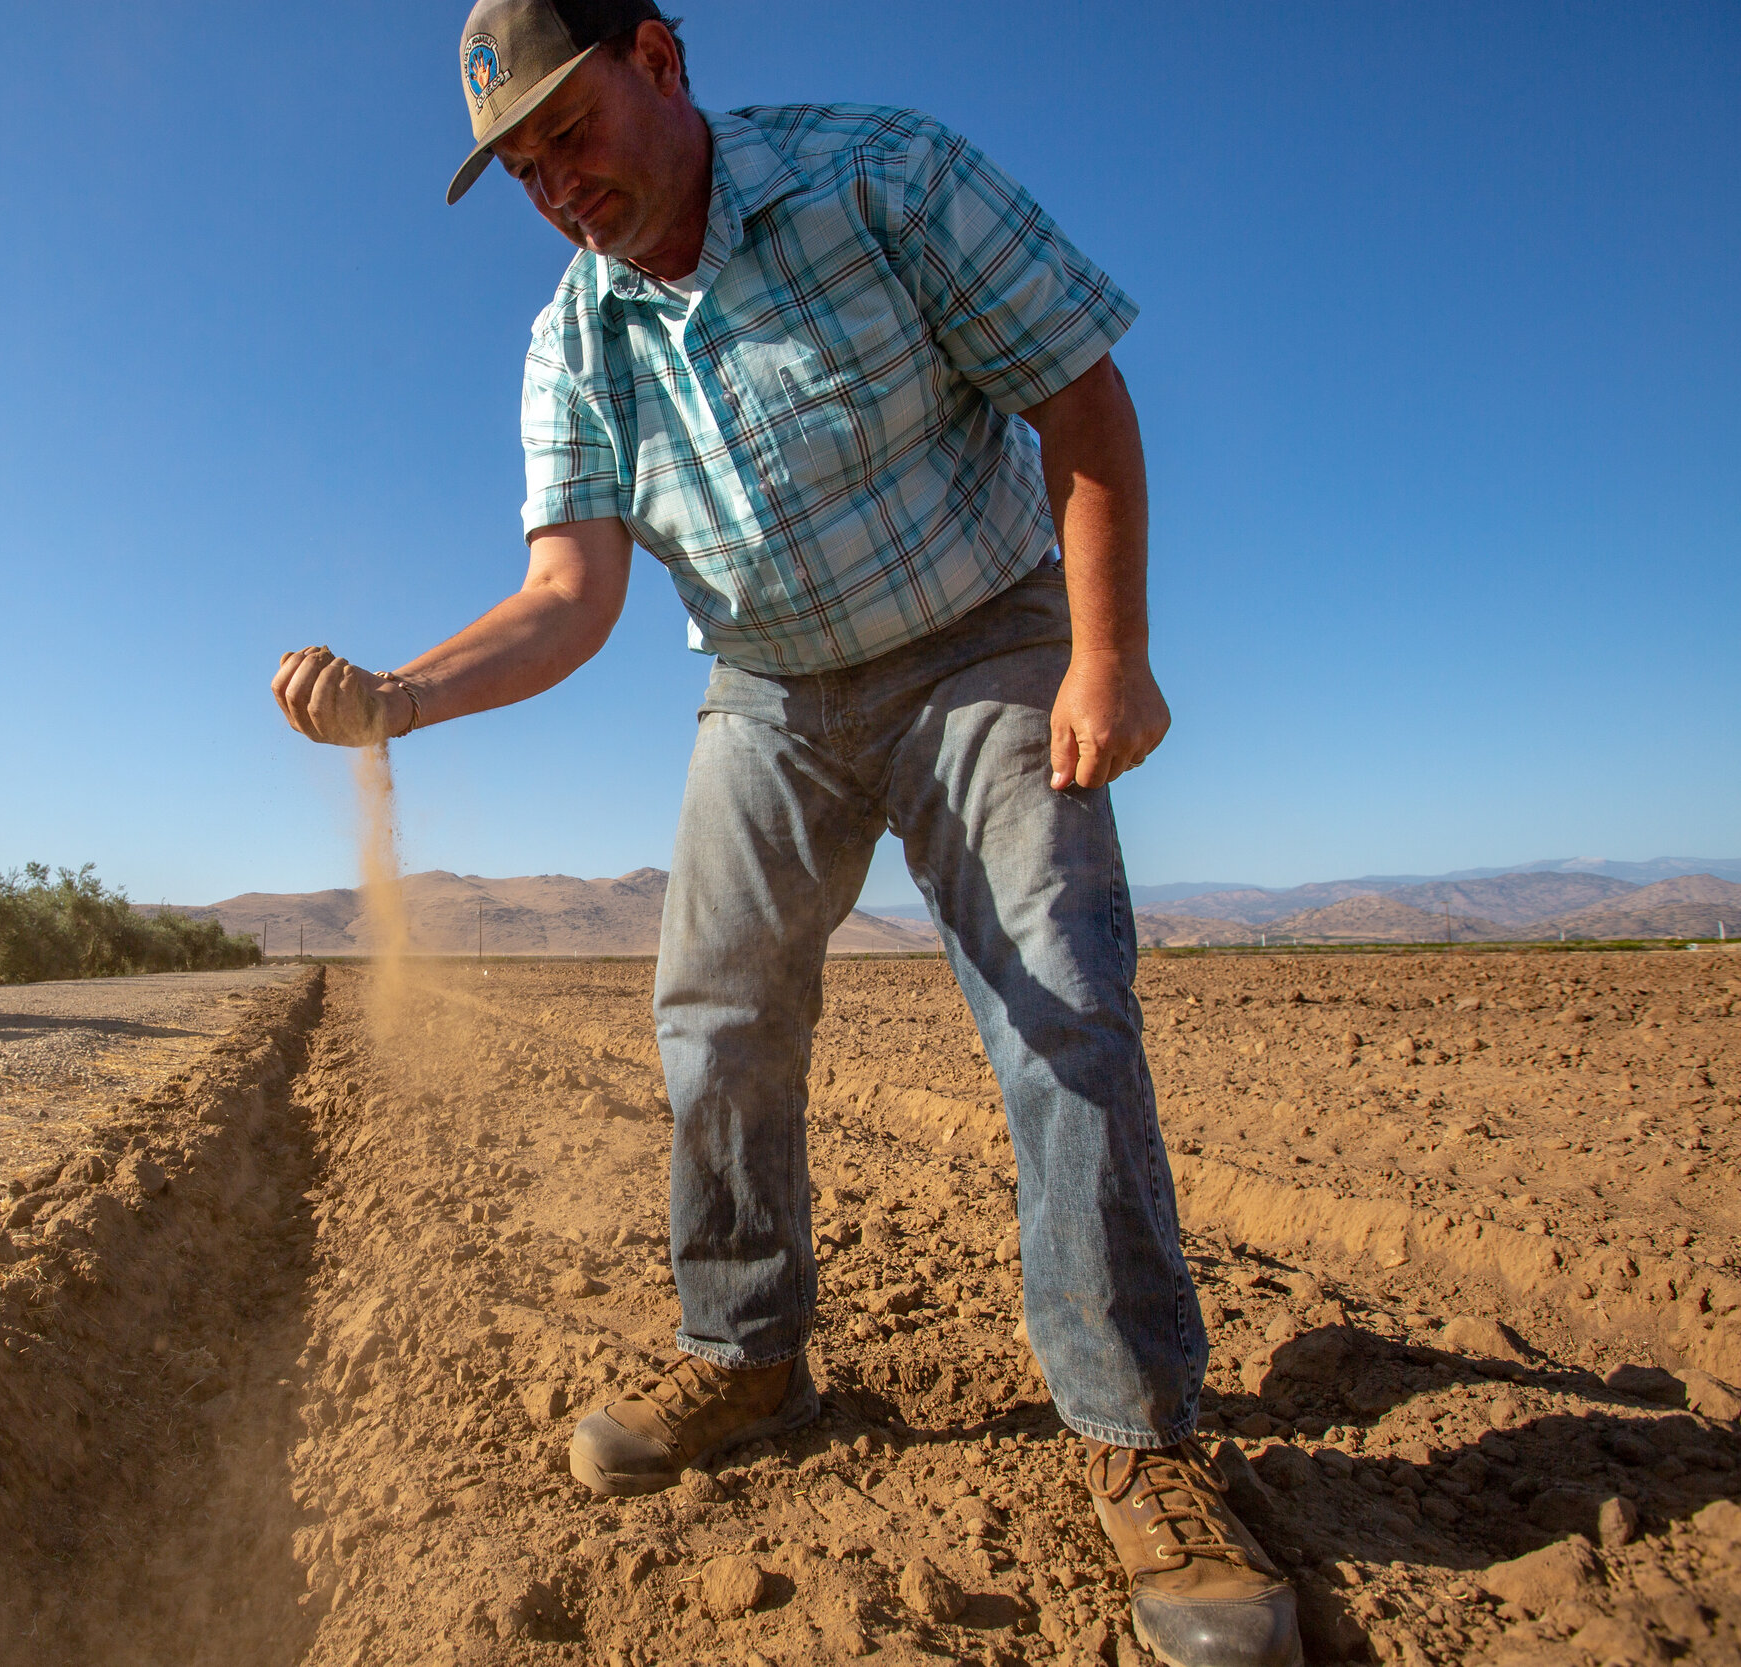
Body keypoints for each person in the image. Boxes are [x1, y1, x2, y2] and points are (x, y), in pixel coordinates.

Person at [271, 6, 1301, 1664]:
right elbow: (569, 599)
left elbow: (1081, 398)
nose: (560, 184)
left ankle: (1137, 1444)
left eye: (571, 130)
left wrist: (1109, 656)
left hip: (982, 638)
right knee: (716, 1008)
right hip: (766, 687)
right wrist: (398, 695)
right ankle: (744, 1354)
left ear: (660, 62)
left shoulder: (876, 176)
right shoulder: (574, 341)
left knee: (1061, 1000)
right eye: (524, 167)